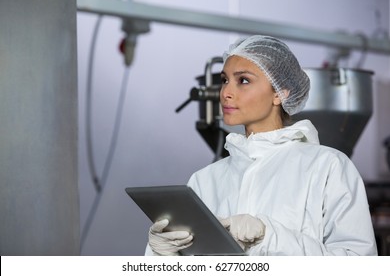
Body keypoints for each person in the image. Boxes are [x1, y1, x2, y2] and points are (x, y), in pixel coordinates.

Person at [145, 35, 378, 256]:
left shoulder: (326, 167)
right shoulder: (204, 180)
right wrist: (163, 254)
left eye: (243, 80)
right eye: (224, 80)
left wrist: (270, 236)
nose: (226, 92)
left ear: (280, 93)